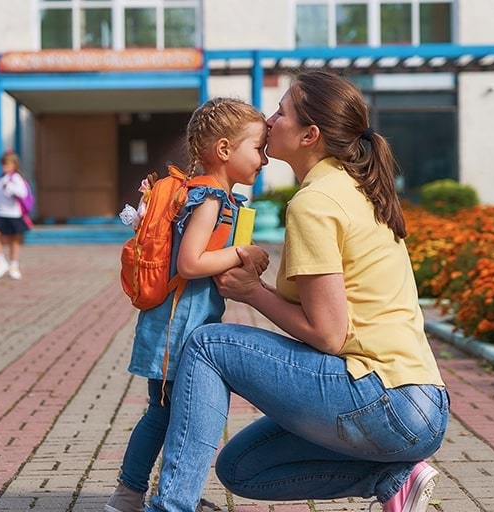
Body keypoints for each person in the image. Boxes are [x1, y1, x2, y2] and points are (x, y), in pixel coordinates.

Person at [144, 70, 450, 512]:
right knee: (243, 468)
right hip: (420, 403)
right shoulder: (354, 188)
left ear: (310, 135)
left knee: (208, 344)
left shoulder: (316, 202)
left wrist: (252, 292)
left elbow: (328, 334)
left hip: (386, 398)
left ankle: (171, 506)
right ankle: (394, 477)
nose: (269, 120)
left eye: (281, 112)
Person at [105, 98, 270, 512]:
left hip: (180, 327)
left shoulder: (215, 196)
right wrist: (242, 254)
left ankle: (164, 494)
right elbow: (191, 262)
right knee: (163, 415)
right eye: (258, 148)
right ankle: (130, 496)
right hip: (175, 332)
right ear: (224, 150)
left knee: (170, 415)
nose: (265, 159)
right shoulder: (210, 198)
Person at [0, 151, 30, 280]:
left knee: (14, 240)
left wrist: (10, 187)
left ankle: (14, 266)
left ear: (14, 165)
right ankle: (1, 261)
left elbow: (23, 194)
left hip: (13, 214)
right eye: (3, 164)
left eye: (8, 164)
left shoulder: (16, 178)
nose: (5, 167)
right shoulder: (0, 177)